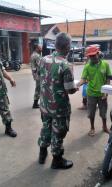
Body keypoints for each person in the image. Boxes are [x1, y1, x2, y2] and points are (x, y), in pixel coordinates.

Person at [38, 33, 78, 169]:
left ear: (55, 45)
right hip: (59, 108)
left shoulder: (43, 59)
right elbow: (70, 90)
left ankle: (42, 154)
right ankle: (57, 160)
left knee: (46, 127)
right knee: (58, 132)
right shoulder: (66, 65)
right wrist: (77, 86)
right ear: (67, 46)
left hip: (44, 104)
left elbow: (40, 78)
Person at [77, 45, 111, 136]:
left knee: (103, 113)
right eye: (90, 56)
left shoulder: (105, 64)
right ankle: (92, 128)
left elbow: (108, 79)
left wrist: (106, 92)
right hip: (91, 93)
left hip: (102, 94)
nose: (92, 58)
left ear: (98, 53)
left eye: (93, 55)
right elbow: (83, 79)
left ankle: (104, 127)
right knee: (91, 113)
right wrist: (78, 85)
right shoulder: (87, 66)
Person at [30, 44, 42, 109]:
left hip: (36, 74)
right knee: (39, 89)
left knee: (39, 88)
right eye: (40, 47)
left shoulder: (33, 54)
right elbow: (41, 65)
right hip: (39, 75)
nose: (41, 48)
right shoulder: (37, 56)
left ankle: (36, 103)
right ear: (37, 48)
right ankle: (35, 103)